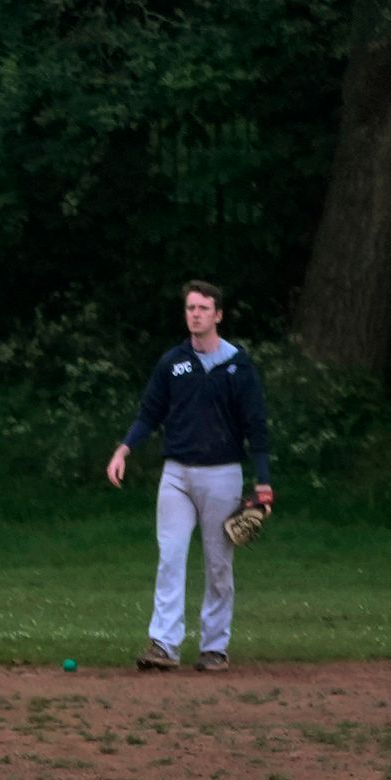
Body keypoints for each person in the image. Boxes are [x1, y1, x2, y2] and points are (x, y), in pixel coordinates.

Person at [109, 280, 274, 672]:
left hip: (222, 475)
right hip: (177, 475)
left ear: (218, 315)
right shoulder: (173, 363)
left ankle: (214, 646)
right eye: (190, 308)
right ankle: (164, 645)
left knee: (218, 564)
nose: (195, 314)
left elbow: (257, 427)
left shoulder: (238, 365)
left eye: (203, 308)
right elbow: (150, 413)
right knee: (171, 556)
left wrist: (262, 480)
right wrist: (123, 449)